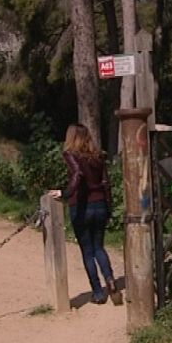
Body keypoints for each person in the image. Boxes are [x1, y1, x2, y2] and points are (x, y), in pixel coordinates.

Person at [48, 124, 121, 305]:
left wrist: (65, 193)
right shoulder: (97, 156)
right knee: (99, 247)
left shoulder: (70, 154)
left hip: (82, 206)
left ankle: (97, 292)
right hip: (100, 204)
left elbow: (78, 174)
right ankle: (110, 280)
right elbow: (106, 182)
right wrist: (109, 206)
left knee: (87, 251)